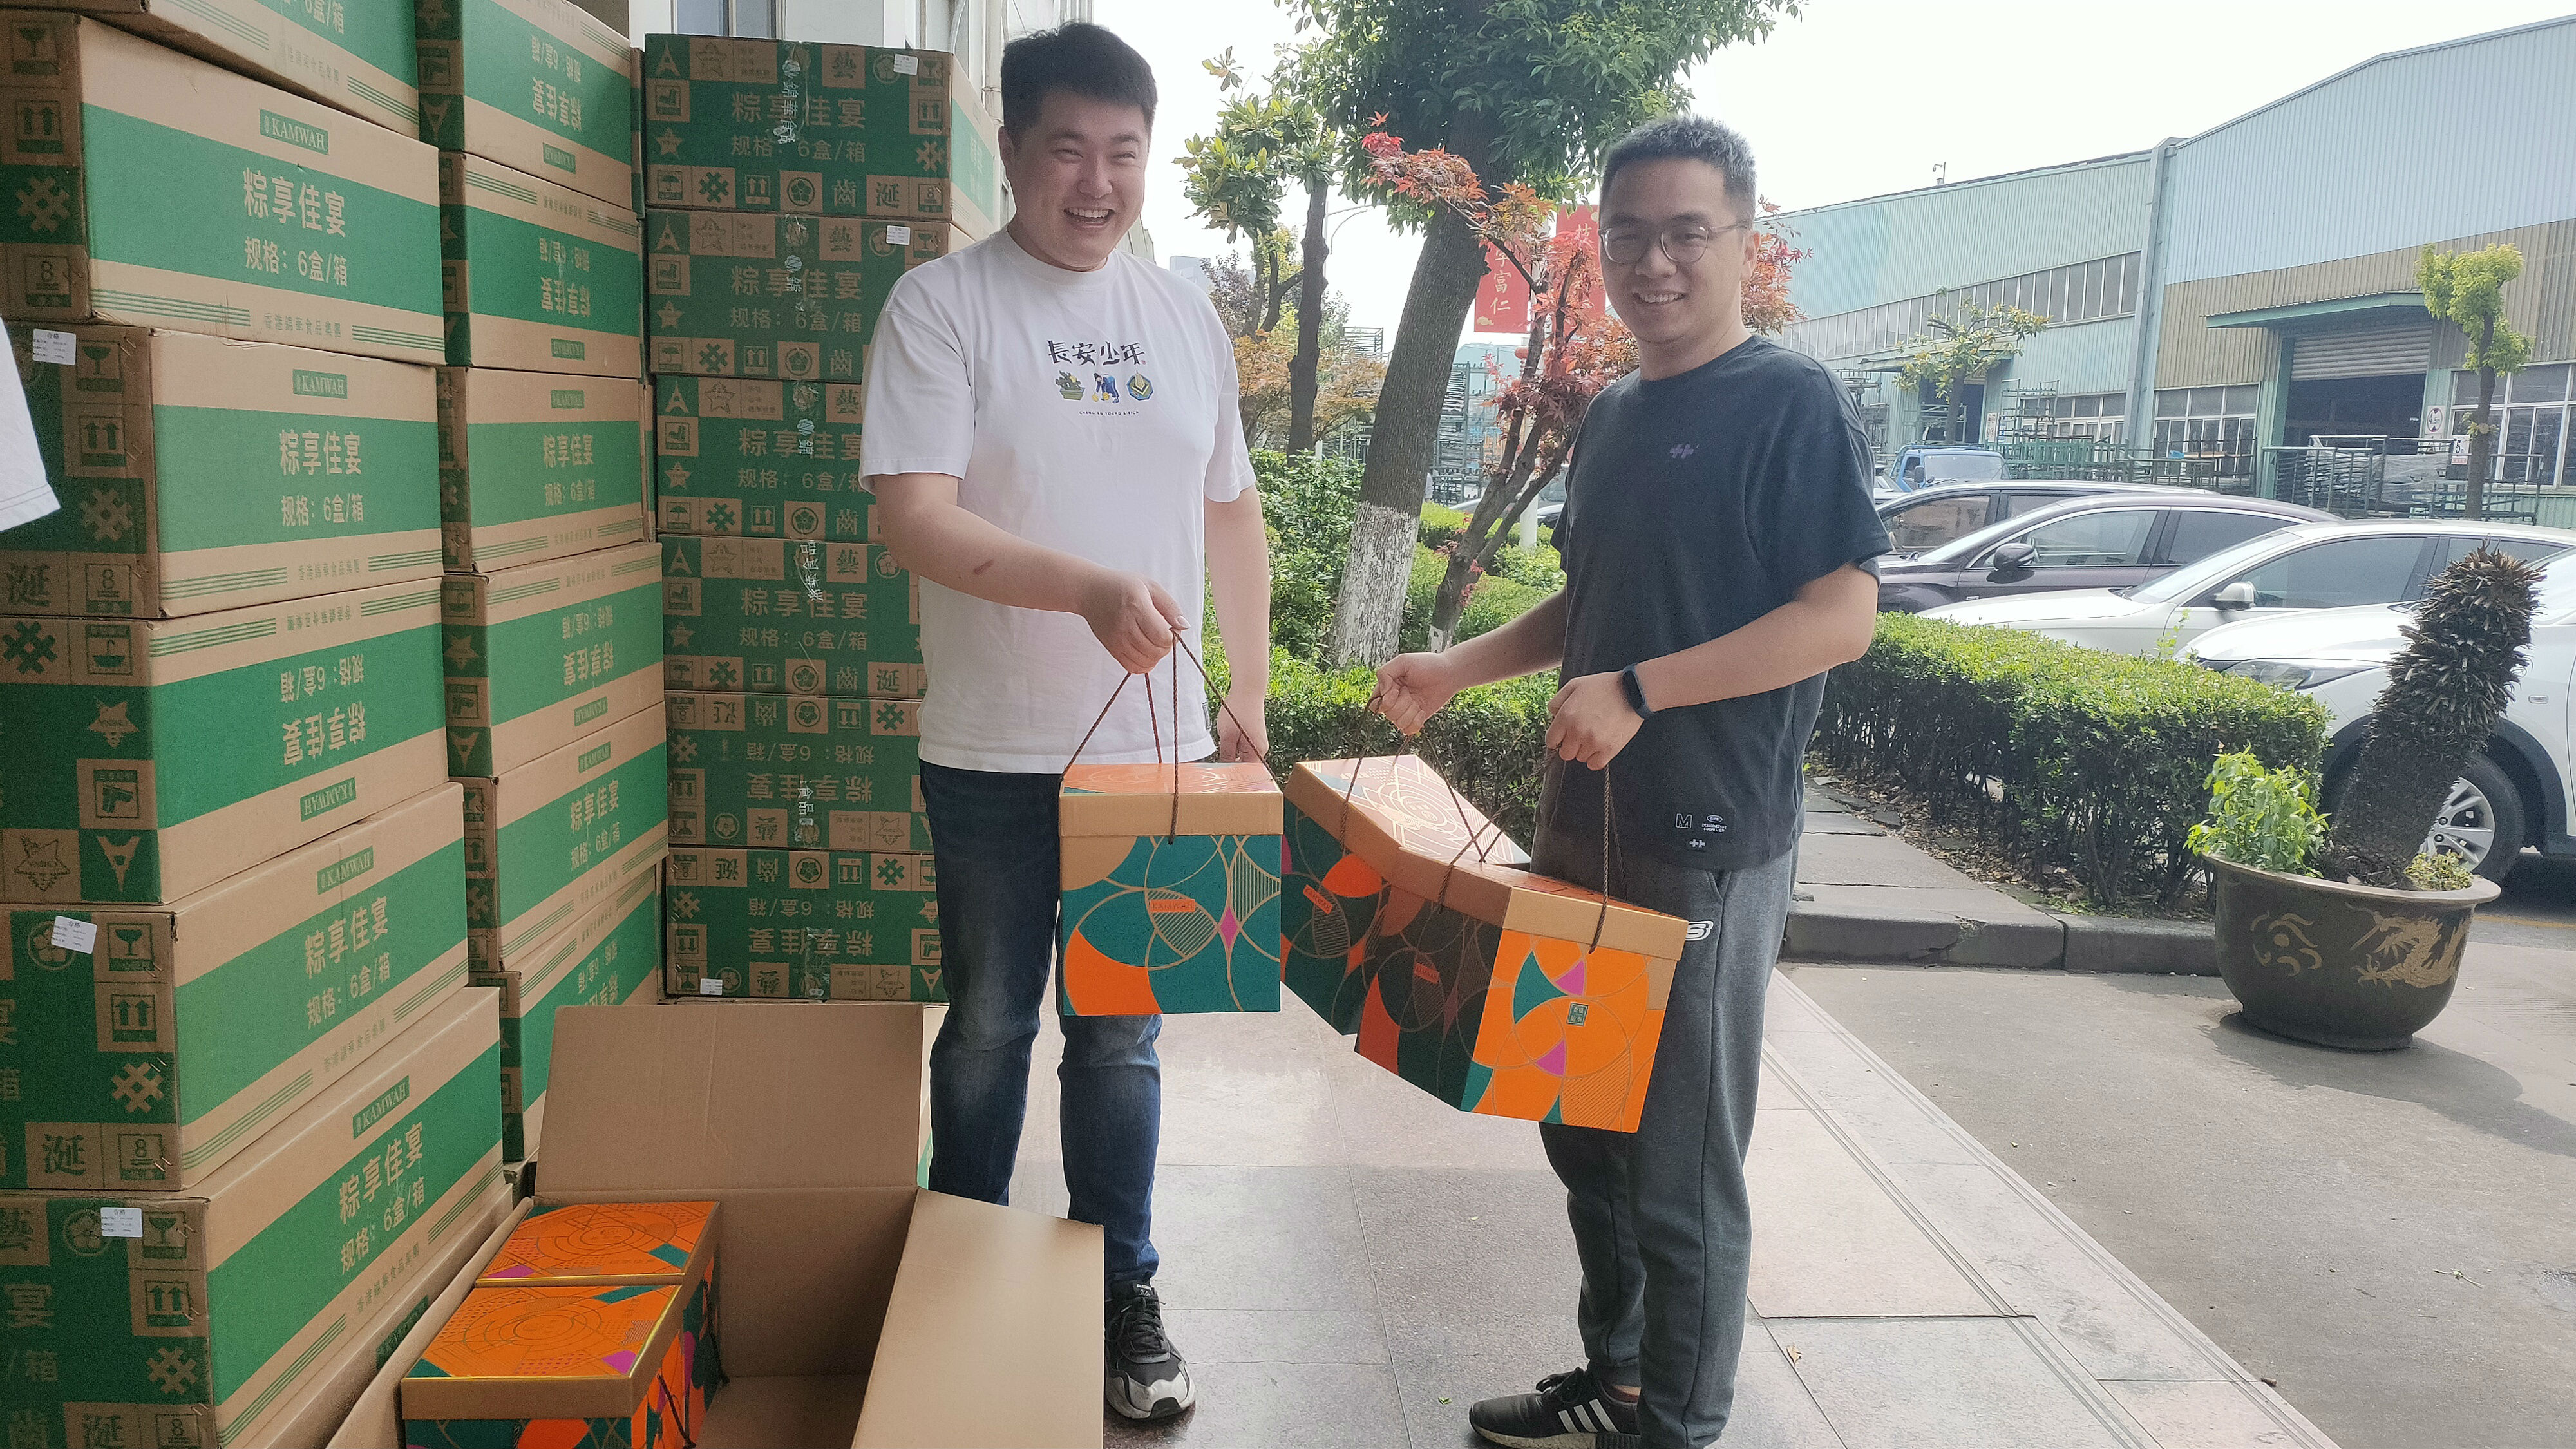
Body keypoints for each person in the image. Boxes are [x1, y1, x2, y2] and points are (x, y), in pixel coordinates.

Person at [1374, 116, 1890, 1449]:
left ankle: (1678, 1423)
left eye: (1685, 233)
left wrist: (1644, 690)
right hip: (1585, 824)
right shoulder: (1613, 412)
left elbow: (1840, 616)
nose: (1653, 262)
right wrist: (1455, 668)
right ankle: (1615, 1383)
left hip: (1703, 838)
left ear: (1742, 240)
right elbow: (1591, 602)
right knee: (1583, 1126)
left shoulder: (1789, 402)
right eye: (1627, 236)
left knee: (1677, 1161)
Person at [859, 21, 1271, 1424]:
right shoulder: (942, 305)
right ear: (1012, 149)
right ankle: (960, 1273)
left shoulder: (1184, 316)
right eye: (1067, 151)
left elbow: (1230, 511)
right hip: (989, 746)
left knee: (1121, 1038)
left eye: (1123, 154)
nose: (1096, 183)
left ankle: (1120, 1293)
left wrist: (1247, 694)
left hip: (1151, 755)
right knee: (987, 1024)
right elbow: (916, 520)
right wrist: (1086, 588)